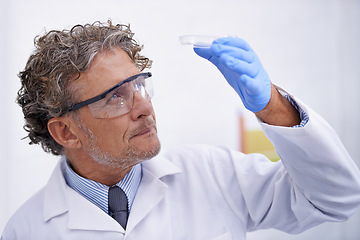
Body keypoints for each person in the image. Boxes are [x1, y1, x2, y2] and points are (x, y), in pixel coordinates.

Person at [2, 20, 360, 240]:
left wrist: (271, 105)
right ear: (66, 132)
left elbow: (336, 199)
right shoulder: (26, 231)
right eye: (115, 97)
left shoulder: (213, 173)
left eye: (139, 85)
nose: (144, 107)